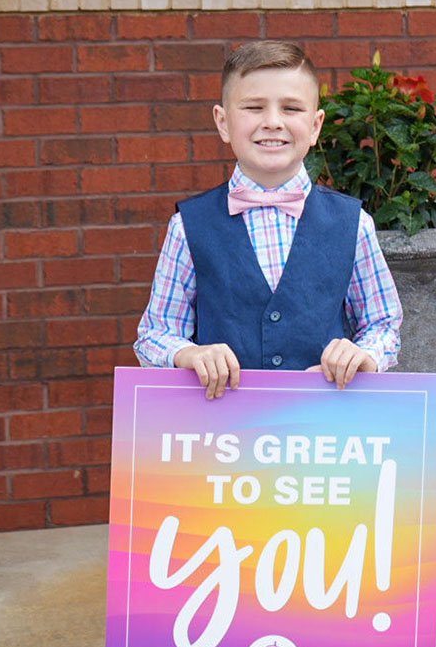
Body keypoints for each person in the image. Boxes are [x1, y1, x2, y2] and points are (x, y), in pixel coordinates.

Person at [135, 40, 401, 396]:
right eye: (254, 107)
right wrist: (188, 353)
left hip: (323, 428)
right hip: (222, 432)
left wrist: (363, 354)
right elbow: (155, 333)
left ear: (316, 125)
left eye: (291, 108)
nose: (273, 122)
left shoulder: (354, 224)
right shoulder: (188, 226)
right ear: (223, 122)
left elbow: (383, 323)